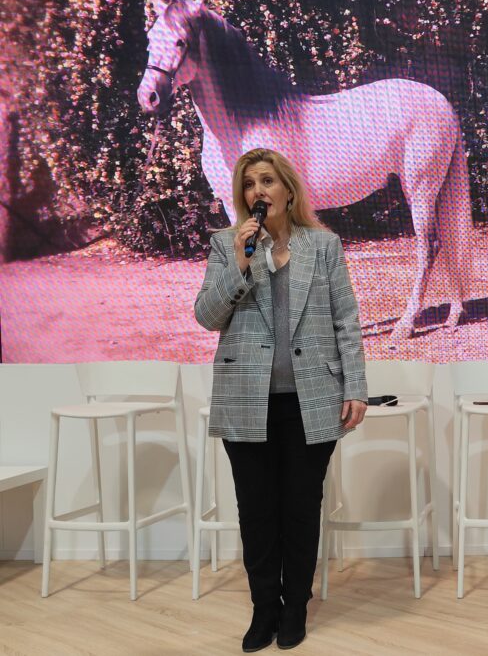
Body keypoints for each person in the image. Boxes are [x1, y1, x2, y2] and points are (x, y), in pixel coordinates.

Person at [195, 148, 367, 652]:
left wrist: (354, 385)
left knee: (299, 508)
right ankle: (263, 607)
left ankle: (296, 606)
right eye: (249, 184)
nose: (258, 192)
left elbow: (346, 321)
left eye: (267, 181)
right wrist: (242, 263)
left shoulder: (324, 245)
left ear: (288, 190)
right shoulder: (228, 246)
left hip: (312, 398)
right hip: (245, 399)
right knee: (256, 511)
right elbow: (207, 316)